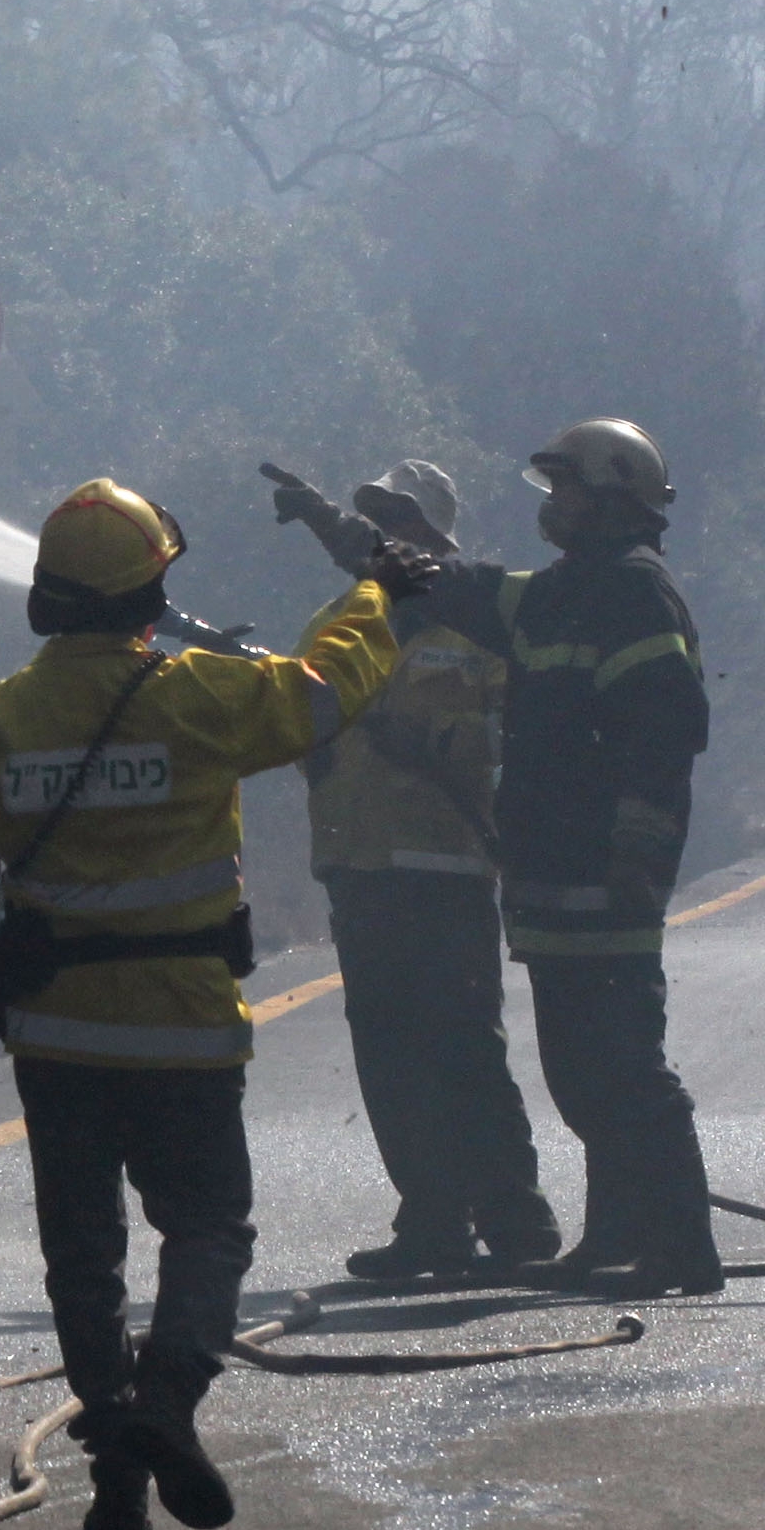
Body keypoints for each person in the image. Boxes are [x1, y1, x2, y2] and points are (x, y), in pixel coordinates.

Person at [0, 478, 425, 1530]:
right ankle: (169, 1401)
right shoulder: (199, 696)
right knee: (208, 1228)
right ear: (150, 594)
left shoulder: (0, 719)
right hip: (183, 1028)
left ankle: (116, 1482)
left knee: (83, 1259)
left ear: (46, 599)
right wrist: (376, 592)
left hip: (56, 1040)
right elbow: (325, 689)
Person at [261, 456, 560, 1282]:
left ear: (434, 533)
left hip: (451, 871)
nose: (385, 531)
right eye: (378, 515)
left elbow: (523, 740)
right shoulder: (339, 622)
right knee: (390, 1054)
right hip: (361, 870)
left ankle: (516, 1221)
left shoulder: (479, 632)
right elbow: (291, 721)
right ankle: (432, 1223)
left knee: (466, 1047)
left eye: (399, 516)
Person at [494, 418, 725, 1299]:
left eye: (567, 487)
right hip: (554, 870)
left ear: (612, 496)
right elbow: (465, 592)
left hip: (605, 872)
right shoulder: (562, 592)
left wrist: (636, 845)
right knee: (580, 1075)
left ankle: (683, 1248)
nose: (553, 503)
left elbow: (666, 728)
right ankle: (615, 1235)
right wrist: (361, 542)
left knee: (623, 1069)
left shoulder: (635, 593)